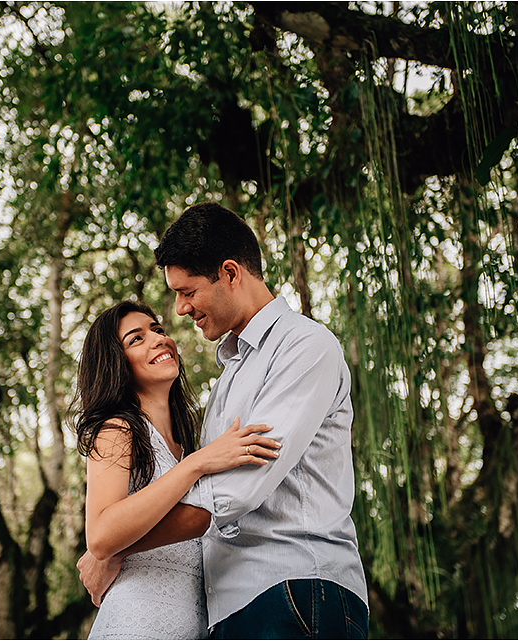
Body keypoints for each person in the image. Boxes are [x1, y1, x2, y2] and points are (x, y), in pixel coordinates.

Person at [79, 202, 369, 639]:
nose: (179, 311)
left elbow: (232, 492)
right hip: (229, 610)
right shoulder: (229, 379)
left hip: (293, 589)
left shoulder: (303, 347)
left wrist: (113, 550)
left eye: (187, 291)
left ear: (231, 273)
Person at [75, 300, 281, 639]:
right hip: (135, 625)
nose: (159, 339)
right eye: (136, 339)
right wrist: (198, 464)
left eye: (157, 329)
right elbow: (100, 535)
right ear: (116, 363)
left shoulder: (190, 445)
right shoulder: (117, 430)